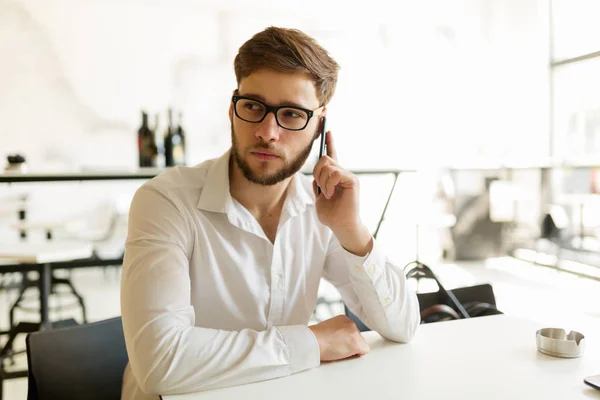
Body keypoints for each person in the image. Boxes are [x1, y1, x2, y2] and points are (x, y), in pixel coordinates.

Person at [120, 26, 420, 400]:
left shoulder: (321, 208)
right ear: (233, 108)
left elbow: (403, 325)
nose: (268, 132)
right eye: (253, 107)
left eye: (292, 114)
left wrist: (352, 232)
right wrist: (310, 342)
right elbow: (161, 364)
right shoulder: (166, 201)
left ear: (319, 123)